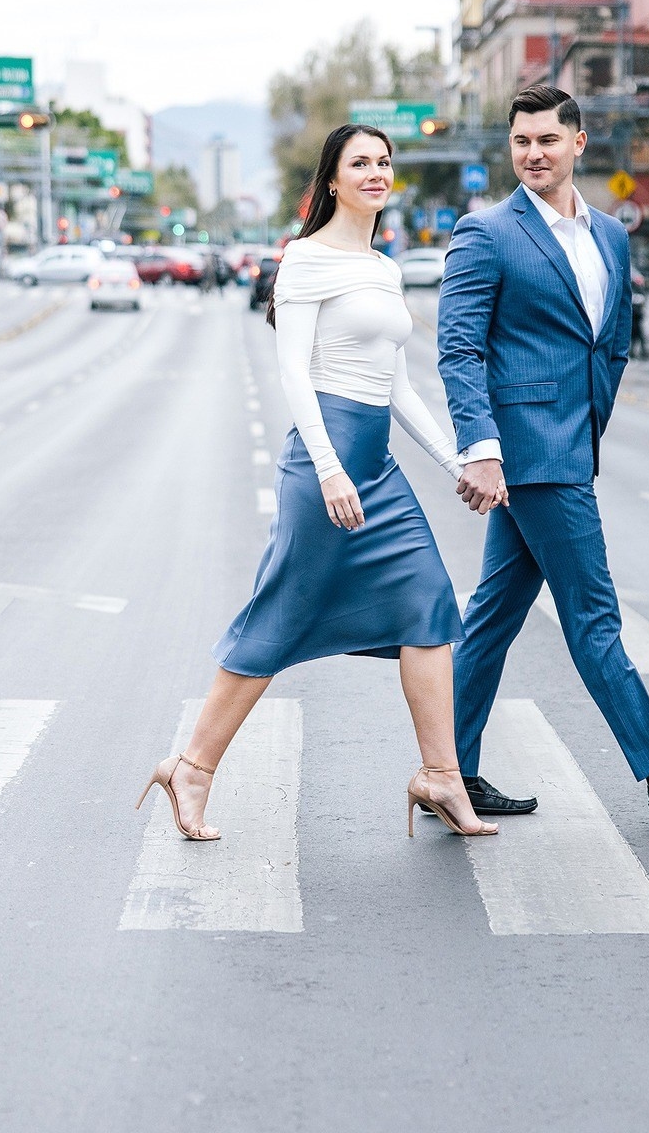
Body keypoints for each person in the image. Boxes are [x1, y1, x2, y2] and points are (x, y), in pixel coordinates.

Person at [137, 124, 499, 842]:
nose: (376, 172)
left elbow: (396, 384)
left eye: (384, 162)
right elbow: (293, 372)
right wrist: (331, 470)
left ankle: (440, 776)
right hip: (324, 468)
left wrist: (456, 463)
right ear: (331, 180)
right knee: (279, 619)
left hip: (378, 468)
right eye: (359, 162)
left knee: (429, 609)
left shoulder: (383, 267)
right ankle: (192, 768)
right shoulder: (305, 259)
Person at [438, 84, 649, 821]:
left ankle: (446, 770)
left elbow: (610, 345)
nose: (533, 154)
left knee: (492, 615)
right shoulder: (485, 232)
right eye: (521, 141)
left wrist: (586, 426)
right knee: (594, 614)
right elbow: (458, 349)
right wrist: (482, 447)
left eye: (547, 140)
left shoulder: (611, 235)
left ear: (578, 143)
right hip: (528, 454)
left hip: (566, 447)